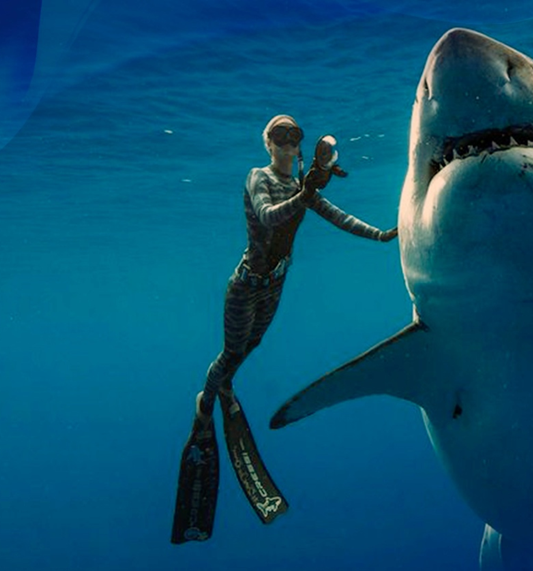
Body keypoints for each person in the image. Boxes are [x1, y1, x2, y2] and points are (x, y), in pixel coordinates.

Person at [171, 114, 397, 544]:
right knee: (231, 355)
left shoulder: (302, 188)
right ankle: (205, 403)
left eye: (295, 136)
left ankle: (224, 387)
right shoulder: (259, 178)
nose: (289, 143)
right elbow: (269, 216)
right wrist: (307, 192)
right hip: (245, 287)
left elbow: (336, 215)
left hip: (275, 286)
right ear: (268, 143)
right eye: (280, 135)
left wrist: (382, 236)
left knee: (250, 348)